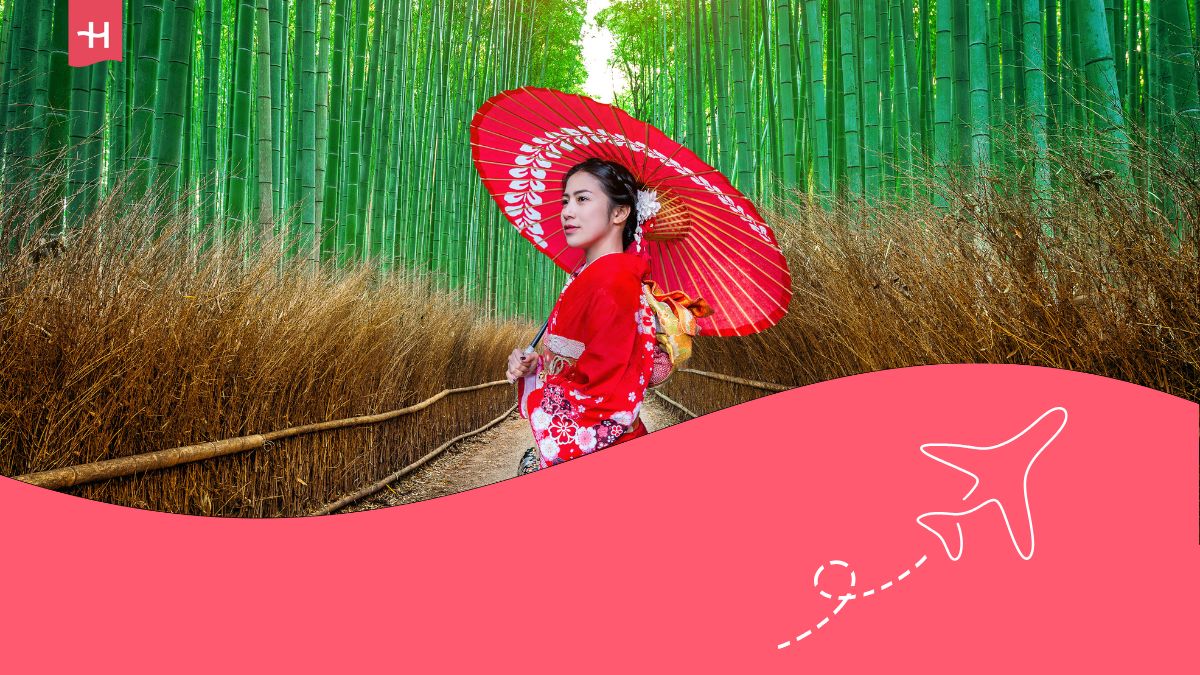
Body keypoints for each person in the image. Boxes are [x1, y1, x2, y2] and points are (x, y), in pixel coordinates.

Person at [506, 158, 657, 474]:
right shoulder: (591, 276)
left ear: (619, 212)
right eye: (565, 200)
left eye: (582, 199)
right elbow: (579, 359)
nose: (567, 211)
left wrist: (543, 401)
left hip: (602, 444)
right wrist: (538, 366)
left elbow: (604, 387)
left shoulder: (613, 280)